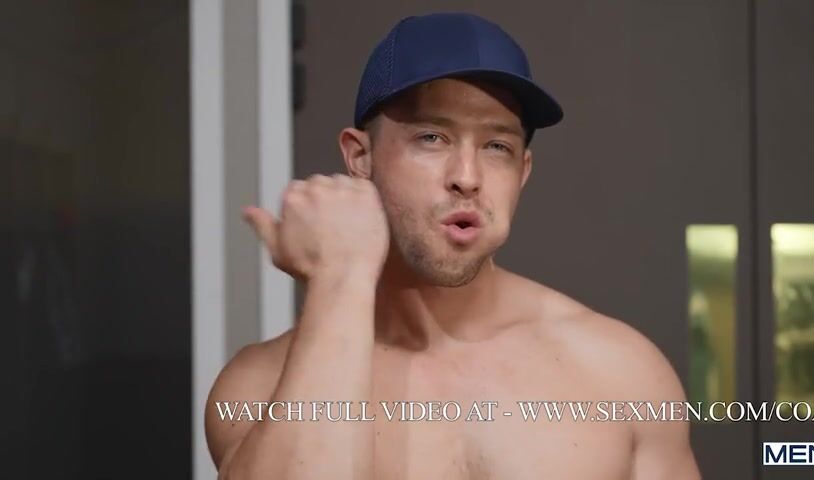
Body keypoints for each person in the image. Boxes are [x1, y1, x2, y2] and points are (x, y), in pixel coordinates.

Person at [205, 12, 701, 479]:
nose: (467, 177)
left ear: (523, 172)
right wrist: (339, 275)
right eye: (432, 138)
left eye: (497, 147)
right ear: (360, 156)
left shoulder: (621, 373)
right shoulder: (259, 386)